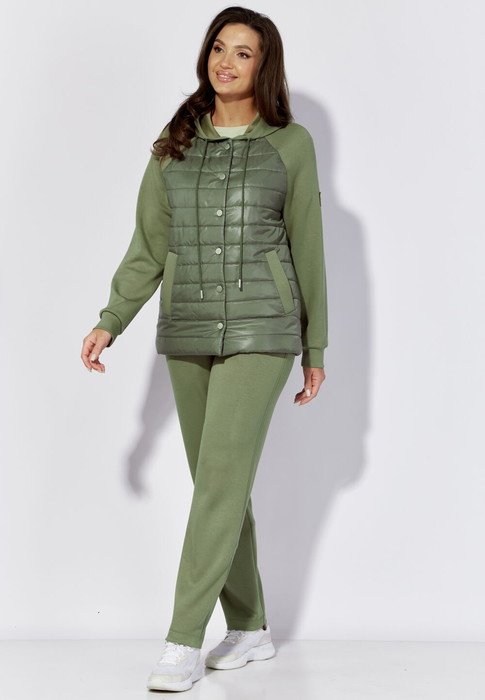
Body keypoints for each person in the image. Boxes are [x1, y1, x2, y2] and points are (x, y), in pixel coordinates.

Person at [81, 5, 328, 693]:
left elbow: (308, 244)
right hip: (187, 328)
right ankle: (250, 627)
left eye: (243, 52)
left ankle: (183, 640)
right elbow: (148, 246)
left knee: (219, 480)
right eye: (219, 47)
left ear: (264, 66)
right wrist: (112, 319)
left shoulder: (291, 144)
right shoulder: (175, 143)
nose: (226, 61)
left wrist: (315, 345)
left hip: (263, 330)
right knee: (219, 484)